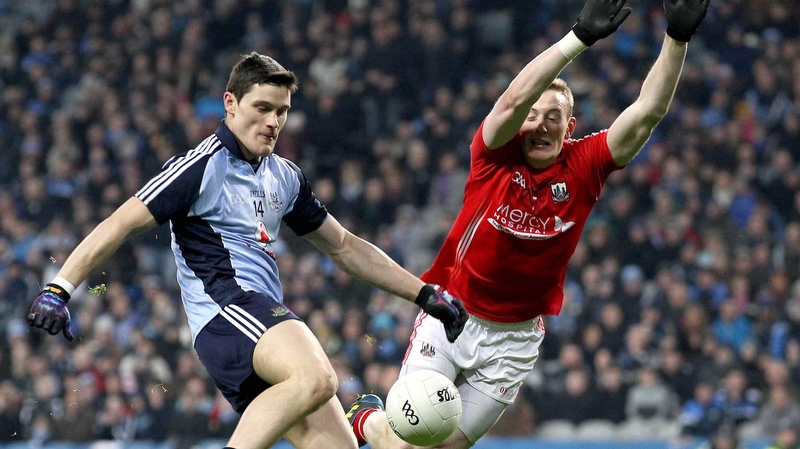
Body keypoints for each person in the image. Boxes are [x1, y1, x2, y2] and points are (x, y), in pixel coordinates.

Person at [26, 52, 468, 449]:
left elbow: (345, 246)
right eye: (262, 108)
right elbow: (118, 224)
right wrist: (59, 288)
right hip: (228, 313)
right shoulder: (200, 167)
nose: (273, 121)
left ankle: (364, 424)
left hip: (260, 330)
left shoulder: (285, 176)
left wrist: (424, 294)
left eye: (282, 111)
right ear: (231, 103)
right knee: (318, 377)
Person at [346, 0, 710, 447]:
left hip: (513, 343)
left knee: (441, 447)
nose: (539, 125)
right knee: (408, 442)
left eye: (552, 117)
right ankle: (370, 419)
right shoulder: (494, 154)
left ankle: (370, 420)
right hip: (450, 314)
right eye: (532, 116)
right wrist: (578, 38)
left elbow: (647, 112)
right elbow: (513, 100)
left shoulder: (585, 166)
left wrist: (677, 38)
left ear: (569, 127)